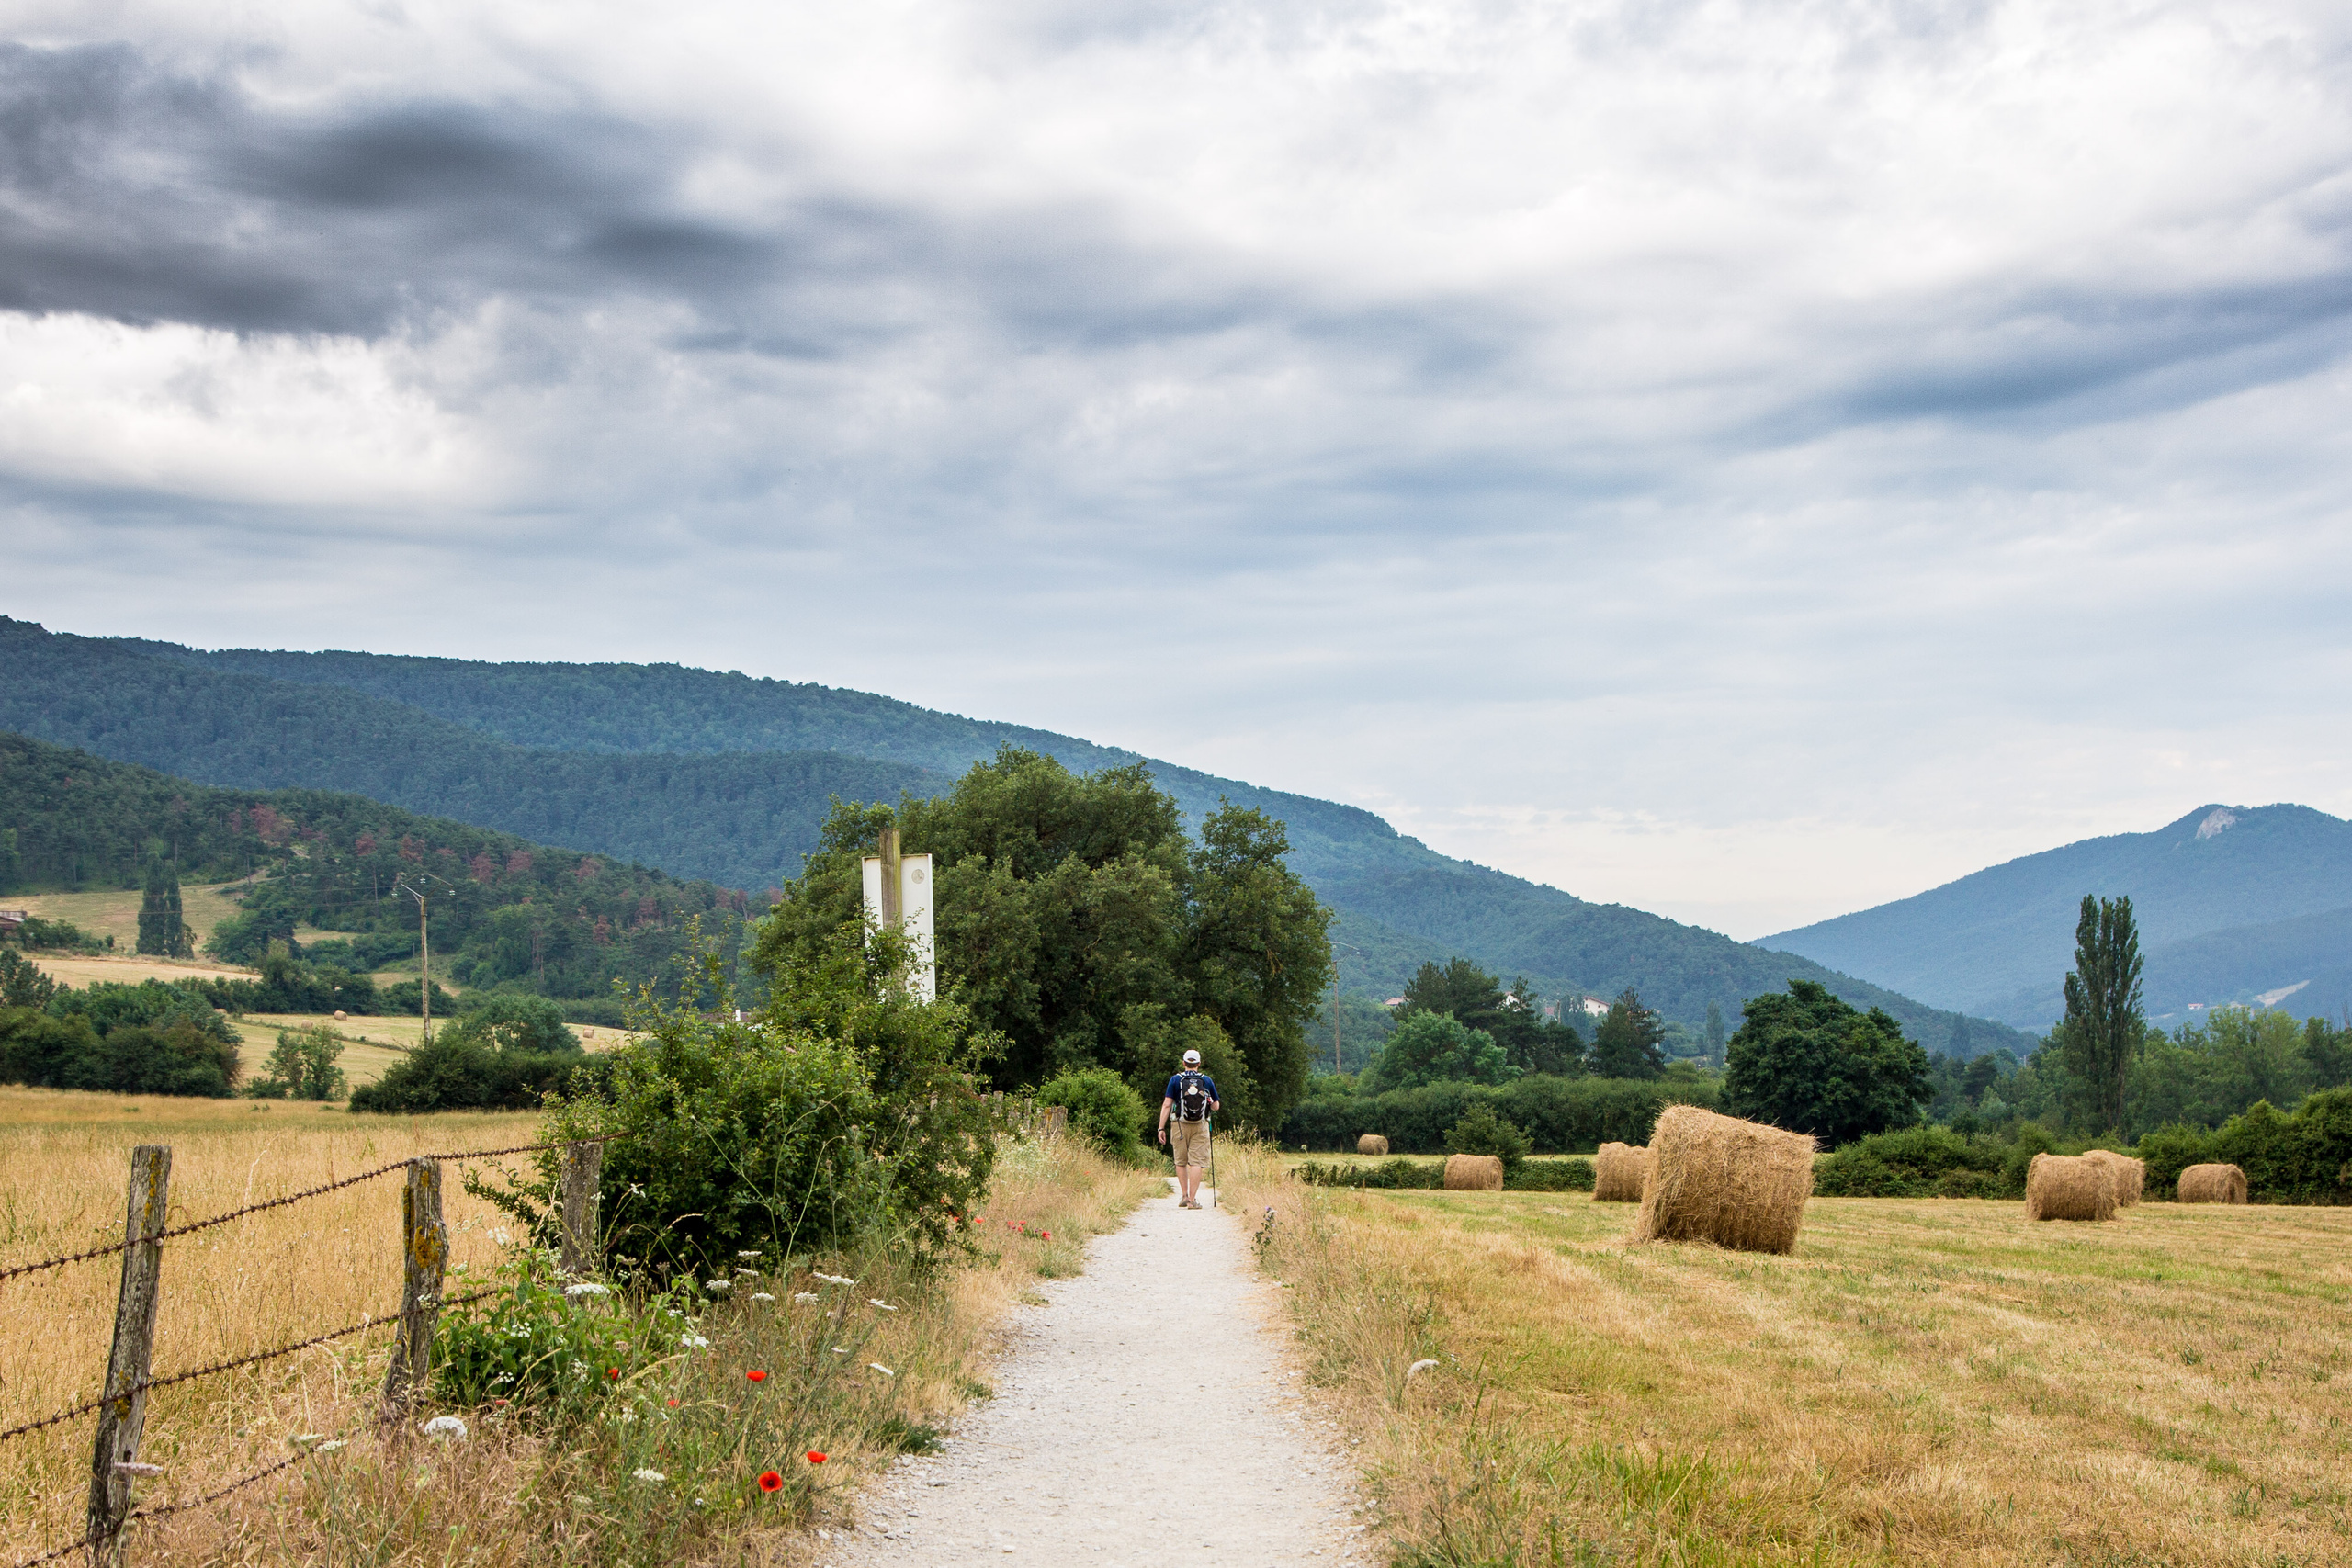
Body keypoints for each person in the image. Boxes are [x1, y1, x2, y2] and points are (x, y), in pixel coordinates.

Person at [1157, 1048, 1220, 1210]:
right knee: (1196, 1162)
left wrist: (1161, 1128)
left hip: (1179, 1124)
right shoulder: (1206, 1080)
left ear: (1184, 1063)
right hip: (1200, 1125)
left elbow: (1167, 1104)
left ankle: (1184, 1196)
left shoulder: (1175, 1080)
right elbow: (1216, 1106)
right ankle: (1192, 1200)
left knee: (1181, 1160)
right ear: (1199, 1063)